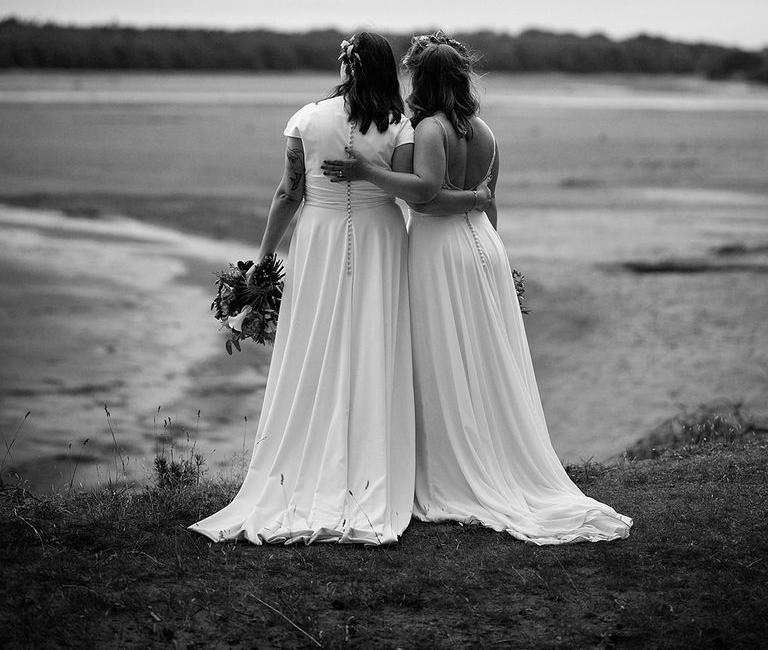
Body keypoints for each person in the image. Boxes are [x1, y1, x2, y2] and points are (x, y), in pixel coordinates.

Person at [323, 33, 632, 544]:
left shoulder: (428, 130)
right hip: (484, 249)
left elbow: (426, 200)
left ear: (423, 80)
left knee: (443, 357)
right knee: (484, 359)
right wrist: (494, 259)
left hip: (441, 250)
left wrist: (369, 172)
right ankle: (491, 456)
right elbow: (490, 206)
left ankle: (451, 472)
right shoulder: (486, 131)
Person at [190, 32, 417, 545]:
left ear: (346, 67)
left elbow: (289, 192)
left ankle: (310, 461)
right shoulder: (400, 126)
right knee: (374, 340)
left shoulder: (307, 118)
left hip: (318, 234)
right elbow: (402, 191)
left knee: (316, 339)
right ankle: (374, 464)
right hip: (382, 235)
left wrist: (265, 257)